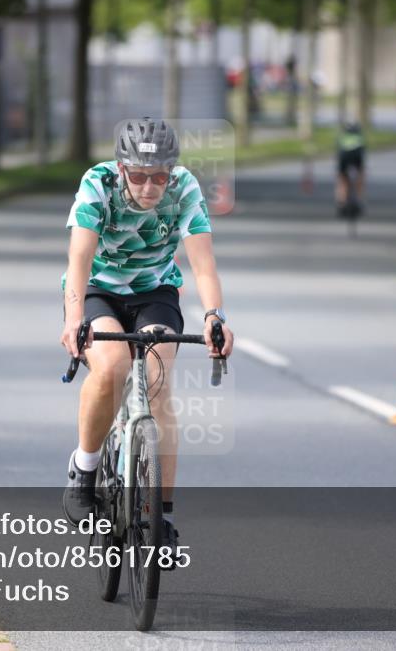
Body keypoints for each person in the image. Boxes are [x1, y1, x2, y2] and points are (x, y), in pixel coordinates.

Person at [60, 117, 235, 560]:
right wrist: (75, 319)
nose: (149, 186)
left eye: (159, 177)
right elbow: (80, 258)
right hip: (98, 289)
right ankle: (84, 469)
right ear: (121, 169)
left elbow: (203, 265)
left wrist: (214, 316)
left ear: (171, 171)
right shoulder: (97, 184)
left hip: (155, 292)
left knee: (156, 384)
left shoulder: (184, 187)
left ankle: (161, 516)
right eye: (138, 176)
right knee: (112, 367)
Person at [335, 121, 365, 216]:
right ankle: (359, 199)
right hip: (356, 157)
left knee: (342, 180)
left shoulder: (342, 137)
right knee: (360, 177)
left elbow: (338, 152)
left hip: (344, 157)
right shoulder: (359, 137)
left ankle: (341, 202)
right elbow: (363, 152)